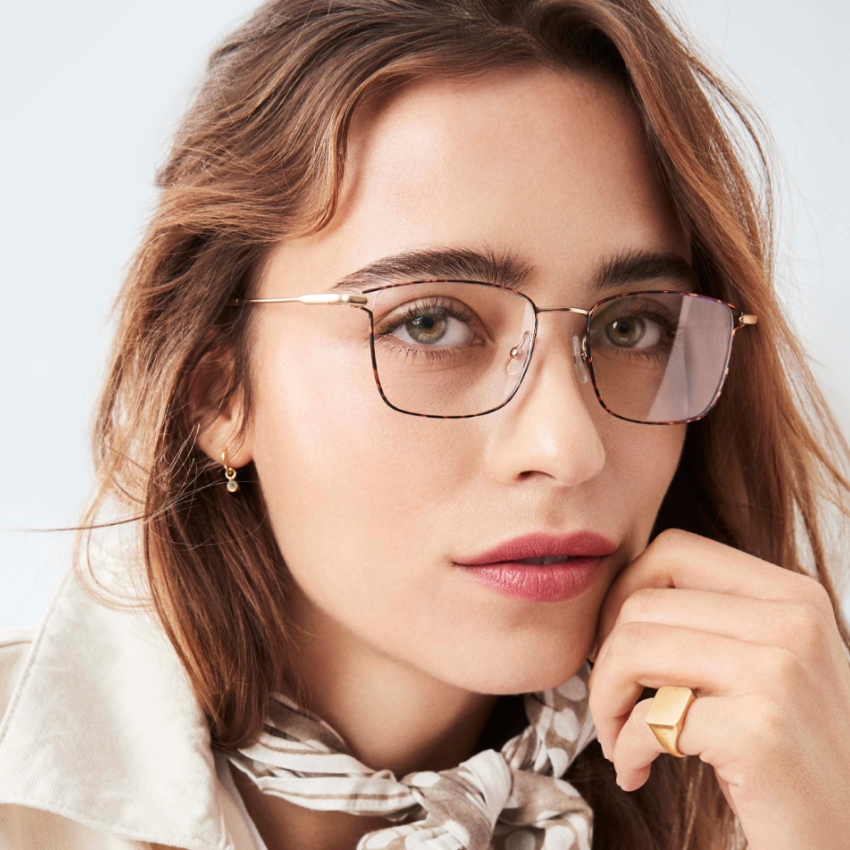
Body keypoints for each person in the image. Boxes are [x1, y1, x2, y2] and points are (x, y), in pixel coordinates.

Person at [1, 0, 849, 848]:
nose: (567, 447)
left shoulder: (771, 797)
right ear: (218, 395)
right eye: (429, 323)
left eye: (631, 326)